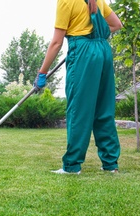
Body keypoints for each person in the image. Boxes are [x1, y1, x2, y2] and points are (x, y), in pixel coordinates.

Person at [34, 0, 123, 174]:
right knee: (104, 109)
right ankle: (111, 164)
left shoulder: (66, 1)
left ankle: (72, 165)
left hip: (83, 53)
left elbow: (56, 43)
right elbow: (116, 24)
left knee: (79, 109)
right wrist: (94, 37)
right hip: (103, 51)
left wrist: (42, 72)